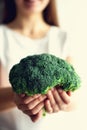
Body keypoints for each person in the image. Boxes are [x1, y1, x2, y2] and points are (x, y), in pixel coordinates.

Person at [0, 0, 79, 130]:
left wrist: (64, 102)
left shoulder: (63, 37)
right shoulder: (1, 36)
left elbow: (77, 98)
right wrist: (17, 95)